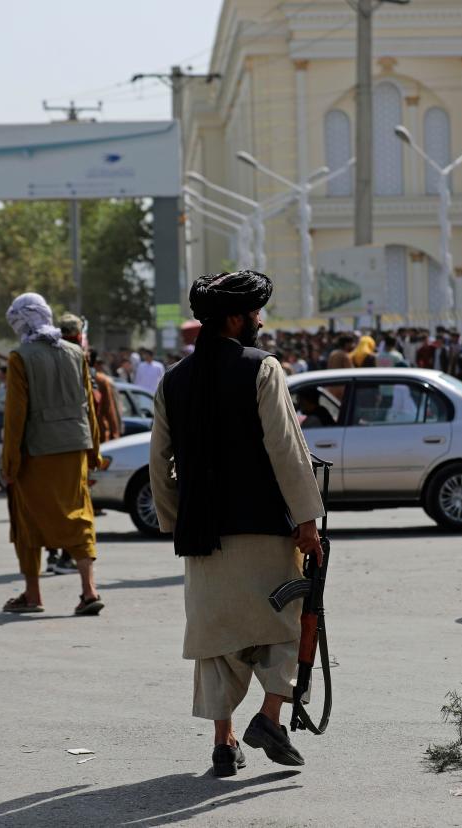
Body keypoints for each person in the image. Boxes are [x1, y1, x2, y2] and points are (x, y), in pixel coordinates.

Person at [149, 270, 325, 778]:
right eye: (254, 313)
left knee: (217, 642)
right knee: (286, 627)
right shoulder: (262, 368)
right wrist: (309, 520)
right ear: (234, 318)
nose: (260, 321)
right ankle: (270, 718)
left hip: (202, 536)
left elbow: (159, 460)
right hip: (264, 530)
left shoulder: (173, 380)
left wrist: (175, 521)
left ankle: (223, 743)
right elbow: (288, 451)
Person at [0, 297, 105, 615]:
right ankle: (89, 592)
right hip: (74, 446)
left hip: (37, 452)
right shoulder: (76, 353)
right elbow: (88, 406)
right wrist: (94, 451)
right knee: (79, 515)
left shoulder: (20, 357)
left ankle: (33, 595)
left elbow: (15, 417)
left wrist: (10, 463)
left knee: (28, 521)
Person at [89, 350, 123, 444]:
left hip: (100, 435)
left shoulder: (102, 381)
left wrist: (115, 434)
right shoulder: (101, 380)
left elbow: (111, 409)